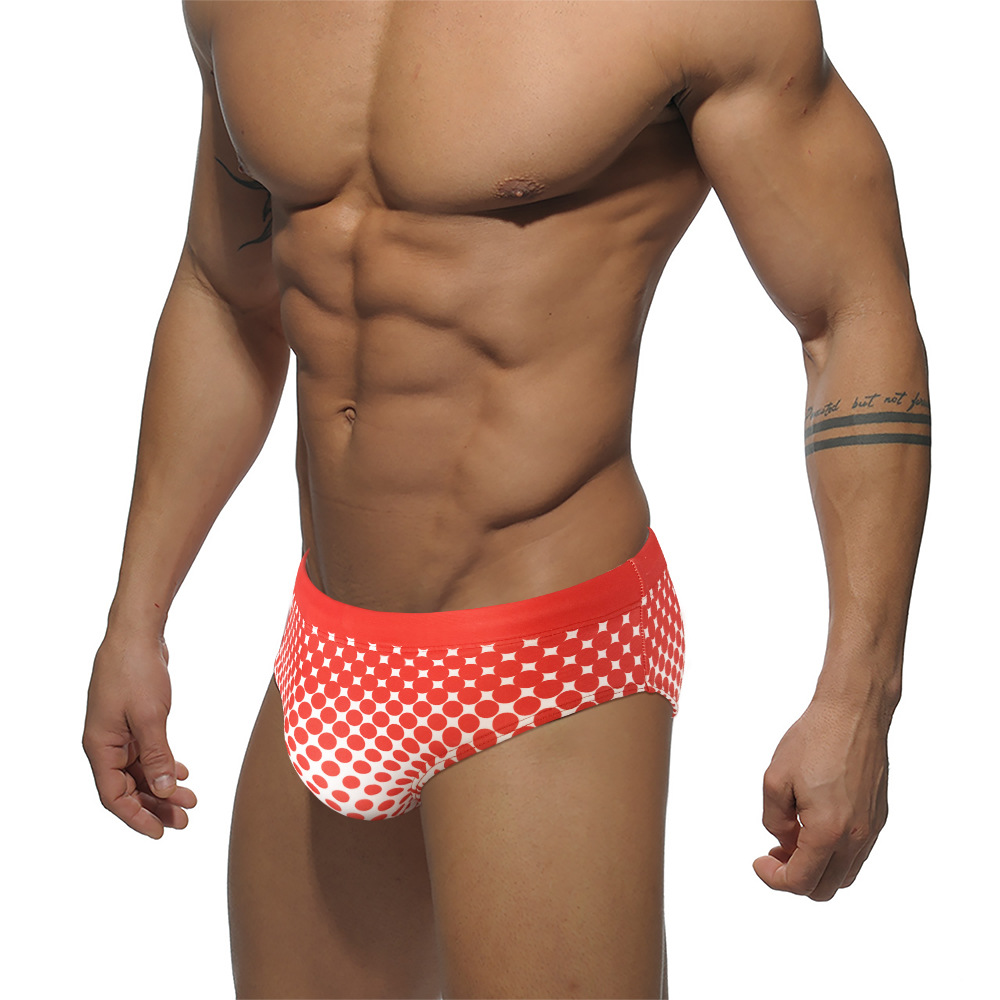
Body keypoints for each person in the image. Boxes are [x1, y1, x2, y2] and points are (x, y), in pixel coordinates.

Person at [82, 2, 931, 997]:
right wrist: (135, 617)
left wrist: (859, 693)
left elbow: (851, 312)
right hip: (329, 644)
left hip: (549, 653)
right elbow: (227, 295)